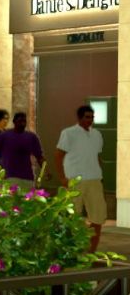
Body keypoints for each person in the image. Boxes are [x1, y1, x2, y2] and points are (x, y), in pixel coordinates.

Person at [57, 105, 107, 252]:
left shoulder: (97, 134)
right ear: (79, 118)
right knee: (71, 218)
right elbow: (58, 155)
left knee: (98, 218)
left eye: (92, 117)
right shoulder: (68, 133)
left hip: (94, 180)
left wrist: (100, 175)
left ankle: (91, 252)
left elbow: (97, 156)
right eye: (87, 117)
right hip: (75, 180)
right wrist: (62, 178)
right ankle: (71, 251)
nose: (90, 120)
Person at [0, 111, 43, 187]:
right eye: (20, 121)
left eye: (24, 121)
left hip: (27, 178)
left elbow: (39, 157)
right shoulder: (3, 136)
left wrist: (45, 171)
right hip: (9, 176)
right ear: (14, 122)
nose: (22, 124)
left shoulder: (31, 137)